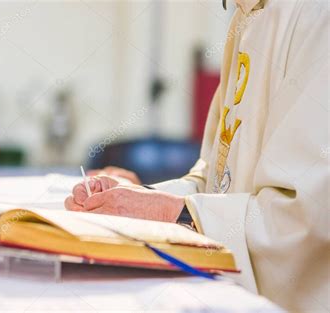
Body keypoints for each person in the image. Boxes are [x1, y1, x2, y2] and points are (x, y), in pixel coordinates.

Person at [65, 0, 329, 311]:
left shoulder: (316, 15)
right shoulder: (246, 16)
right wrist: (140, 198)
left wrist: (170, 212)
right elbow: (215, 183)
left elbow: (303, 221)